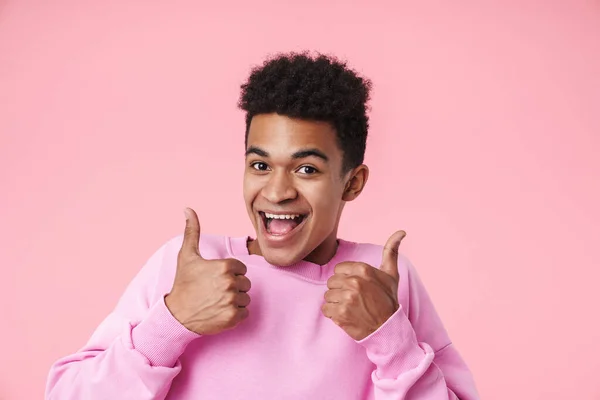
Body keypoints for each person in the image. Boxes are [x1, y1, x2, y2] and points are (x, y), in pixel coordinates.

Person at [45, 52, 479, 399]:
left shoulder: (383, 282)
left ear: (352, 182)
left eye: (306, 169)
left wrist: (392, 342)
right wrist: (170, 324)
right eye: (260, 164)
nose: (277, 191)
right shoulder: (187, 269)